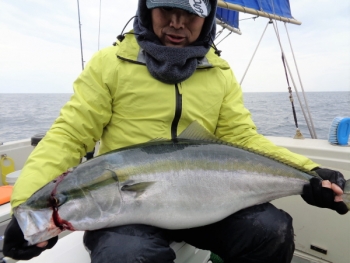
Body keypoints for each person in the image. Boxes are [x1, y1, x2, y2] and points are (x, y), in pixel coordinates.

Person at [3, 0, 348, 262]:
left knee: (272, 232)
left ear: (208, 15)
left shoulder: (218, 72)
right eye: (167, 8)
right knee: (127, 254)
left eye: (191, 12)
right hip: (127, 211)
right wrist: (28, 209)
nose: (177, 23)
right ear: (146, 8)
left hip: (206, 203)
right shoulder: (110, 65)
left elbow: (242, 137)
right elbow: (68, 135)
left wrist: (309, 174)